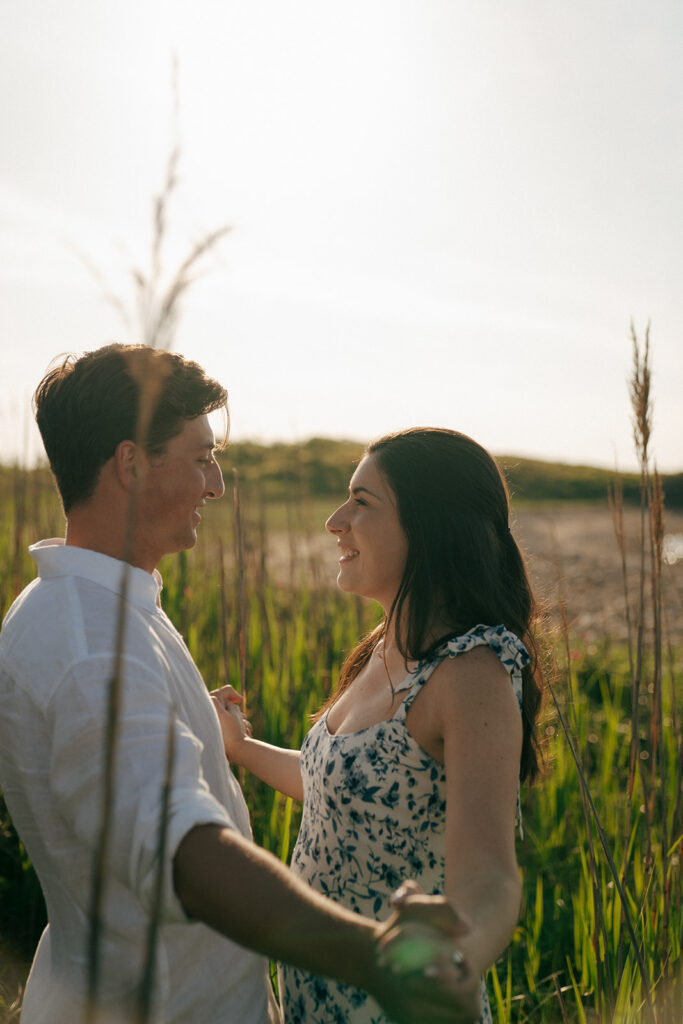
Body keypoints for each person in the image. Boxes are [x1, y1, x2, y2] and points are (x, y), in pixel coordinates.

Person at [0, 346, 474, 1024]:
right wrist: (368, 956)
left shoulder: (83, 608)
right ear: (130, 465)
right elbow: (179, 849)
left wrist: (202, 733)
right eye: (200, 458)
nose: (216, 483)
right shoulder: (92, 647)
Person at [214, 426, 544, 1024]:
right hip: (318, 993)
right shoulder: (381, 649)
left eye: (362, 502)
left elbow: (491, 876)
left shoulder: (472, 673)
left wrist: (452, 958)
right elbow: (343, 788)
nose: (334, 520)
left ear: (430, 525)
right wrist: (241, 748)